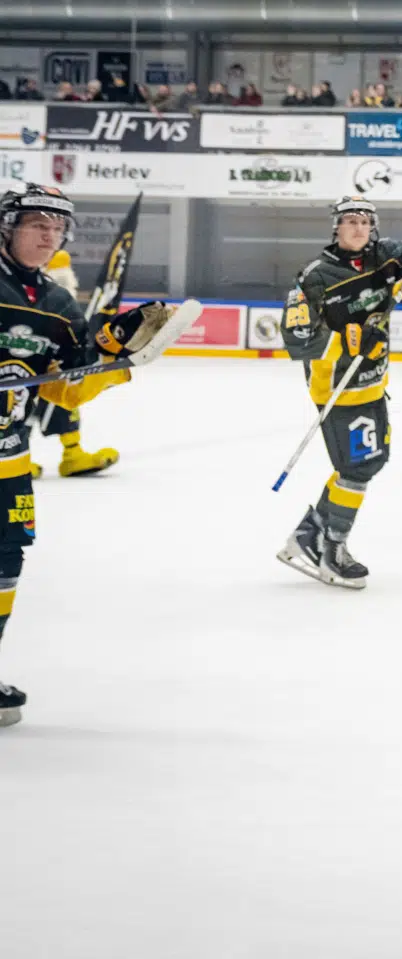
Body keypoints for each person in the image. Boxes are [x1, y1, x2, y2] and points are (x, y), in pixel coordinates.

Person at [0, 184, 173, 726]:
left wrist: (114, 350)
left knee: (7, 562)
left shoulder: (55, 303)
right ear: (8, 226)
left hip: (8, 461)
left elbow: (66, 388)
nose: (48, 237)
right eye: (37, 226)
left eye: (56, 229)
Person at [275, 189, 402, 588]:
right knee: (356, 468)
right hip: (338, 389)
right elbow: (298, 338)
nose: (357, 228)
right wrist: (351, 340)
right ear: (336, 228)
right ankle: (332, 551)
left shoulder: (385, 256)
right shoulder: (314, 277)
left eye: (363, 222)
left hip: (374, 383)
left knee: (370, 461)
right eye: (349, 221)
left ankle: (309, 535)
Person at [26, 248, 127, 478]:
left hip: (55, 367)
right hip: (25, 367)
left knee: (66, 404)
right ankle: (18, 457)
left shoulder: (62, 304)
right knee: (22, 410)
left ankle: (73, 454)